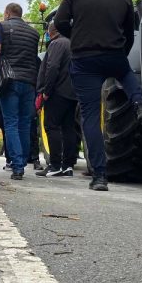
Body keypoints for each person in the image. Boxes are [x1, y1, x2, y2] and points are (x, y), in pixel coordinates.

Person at [55, 0, 142, 192]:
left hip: (84, 59)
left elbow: (59, 23)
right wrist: (121, 51)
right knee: (125, 73)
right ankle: (139, 104)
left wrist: (77, 35)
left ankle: (99, 177)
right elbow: (130, 31)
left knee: (90, 116)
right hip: (114, 54)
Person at [0, 3, 40, 181]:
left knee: (10, 122)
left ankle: (17, 166)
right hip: (29, 82)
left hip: (9, 81)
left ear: (7, 13)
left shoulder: (2, 26)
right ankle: (22, 162)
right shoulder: (34, 33)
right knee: (24, 123)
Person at [35, 20, 78, 178]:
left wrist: (46, 90)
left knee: (51, 126)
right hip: (72, 92)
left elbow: (52, 67)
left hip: (57, 91)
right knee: (68, 128)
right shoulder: (72, 44)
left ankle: (54, 165)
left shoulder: (56, 44)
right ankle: (68, 165)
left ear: (50, 31)